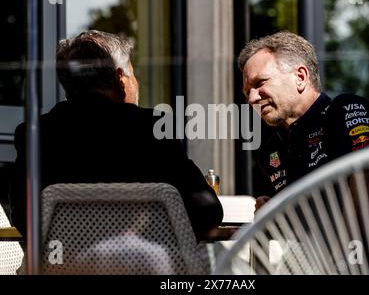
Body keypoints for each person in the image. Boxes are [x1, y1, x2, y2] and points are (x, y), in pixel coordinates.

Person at [11, 30, 223, 241]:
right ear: (120, 78)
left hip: (61, 269)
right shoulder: (154, 129)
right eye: (133, 73)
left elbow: (23, 219)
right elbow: (207, 212)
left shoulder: (35, 134)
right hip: (144, 267)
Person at [238, 31, 369, 210]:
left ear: (300, 77)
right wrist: (273, 213)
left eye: (260, 83)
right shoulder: (270, 151)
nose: (252, 99)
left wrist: (343, 239)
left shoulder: (345, 110)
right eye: (247, 92)